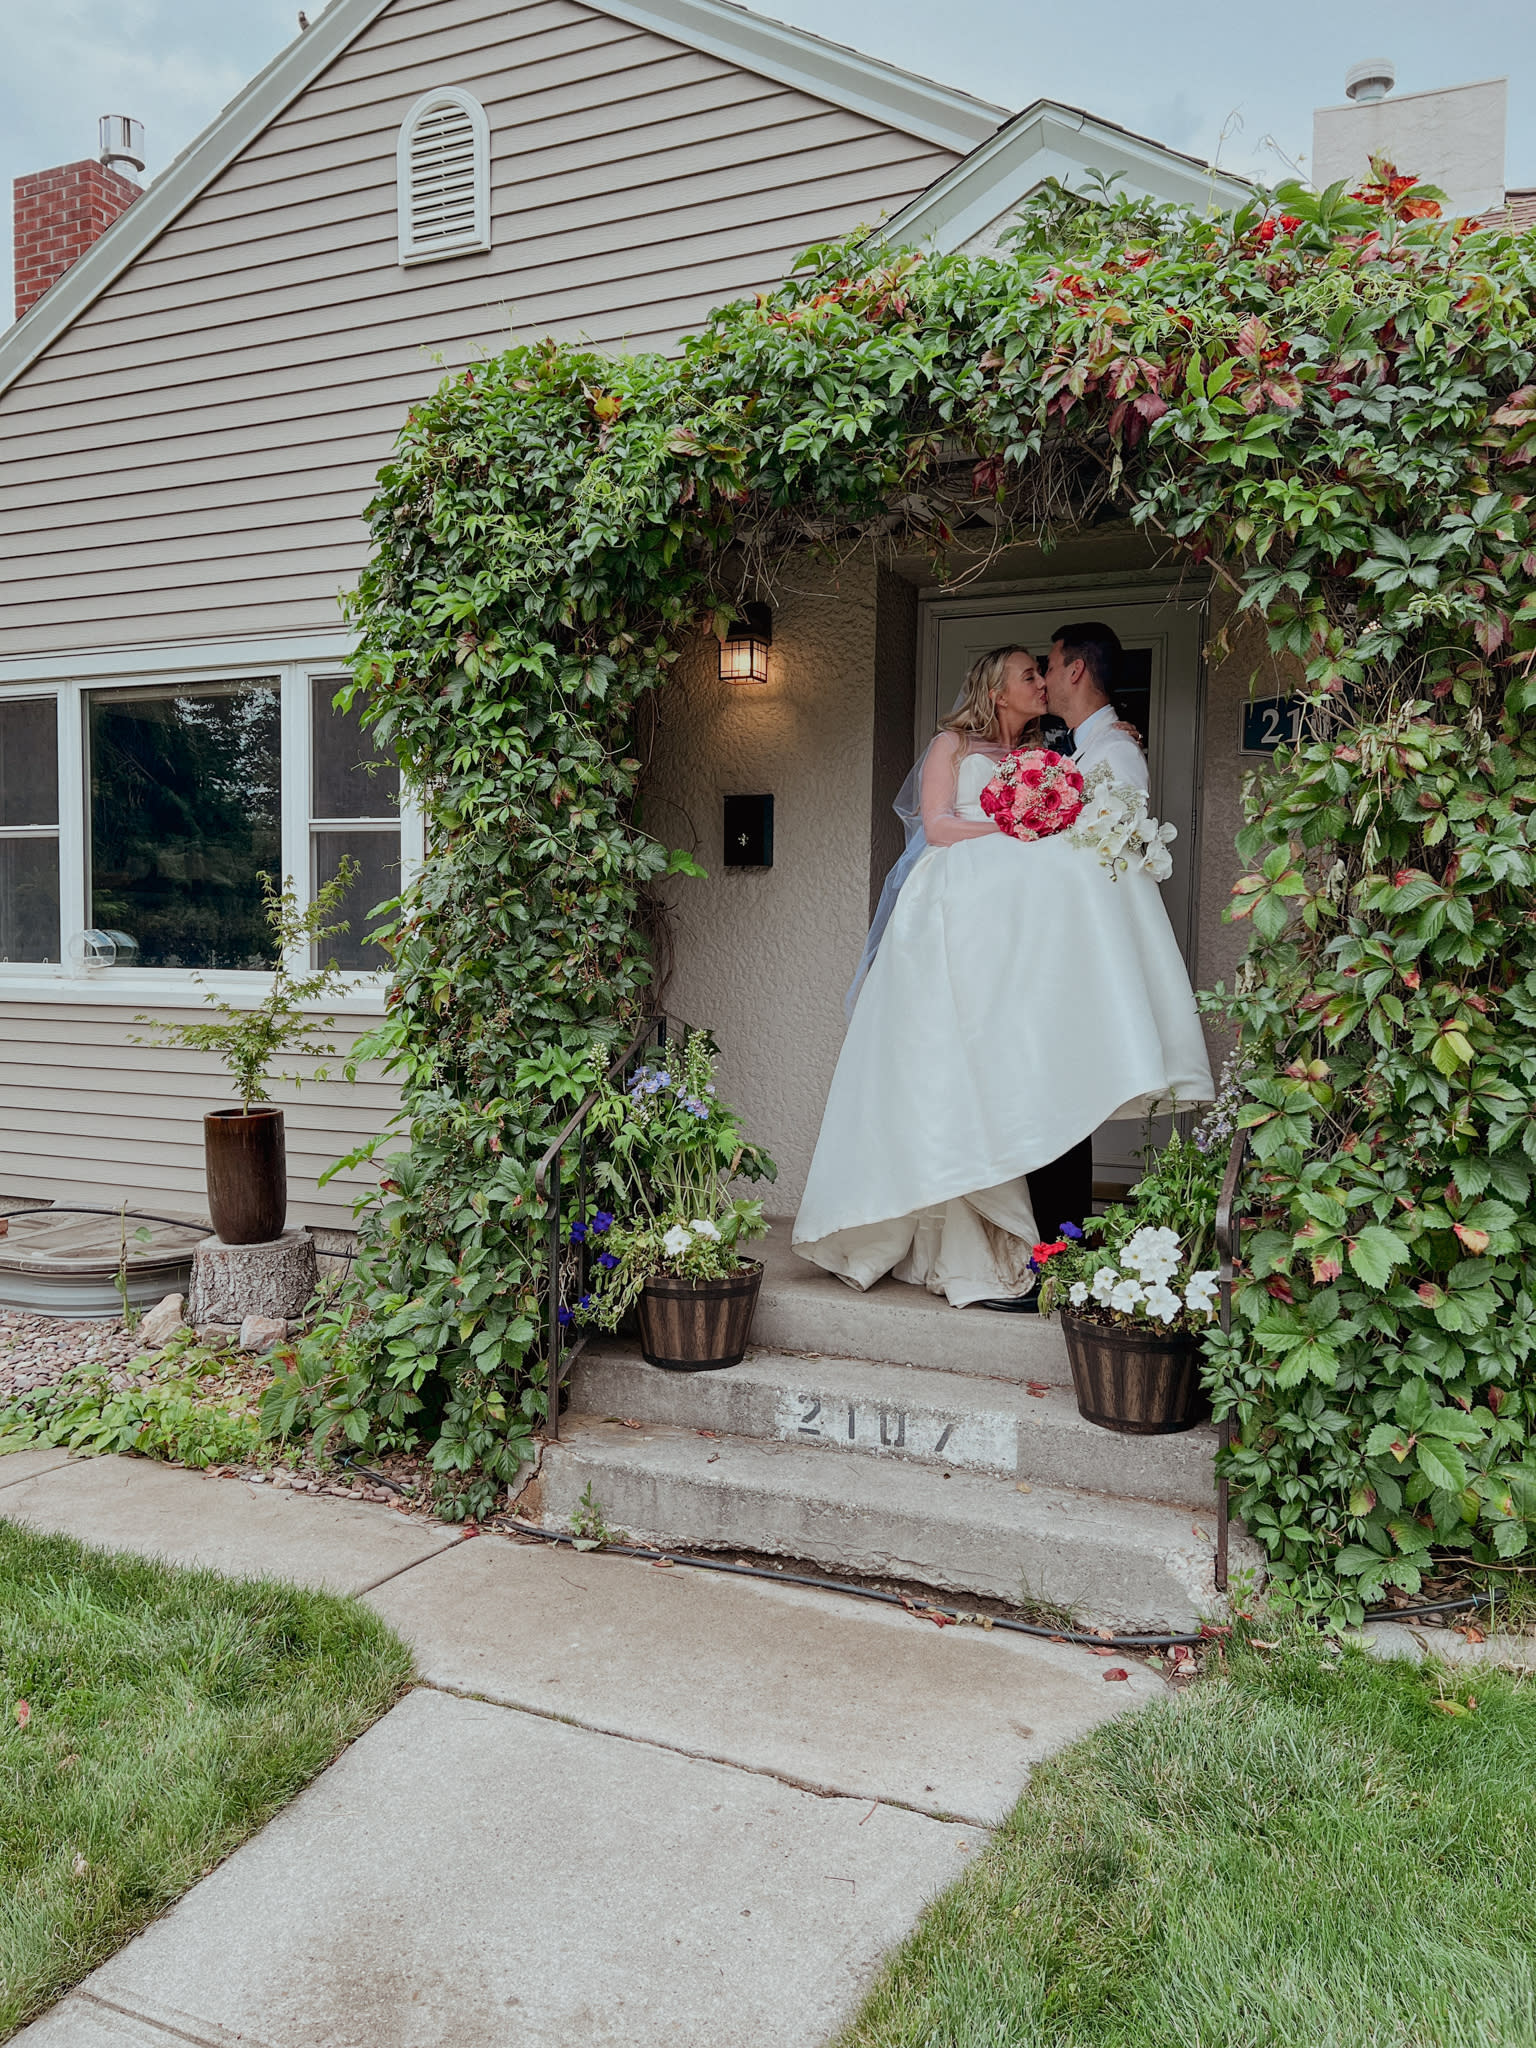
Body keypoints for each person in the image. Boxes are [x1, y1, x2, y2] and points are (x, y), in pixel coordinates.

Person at [792, 635, 1214, 1309]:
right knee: (942, 1060)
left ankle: (1013, 1238)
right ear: (996, 688)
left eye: (1044, 674)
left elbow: (1075, 819)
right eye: (1028, 676)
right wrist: (1013, 823)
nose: (1041, 685)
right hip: (951, 919)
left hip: (1007, 938)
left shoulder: (1044, 758)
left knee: (998, 1065)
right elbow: (935, 827)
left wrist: (1050, 800)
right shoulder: (949, 748)